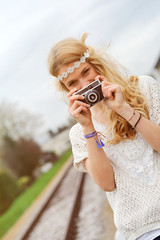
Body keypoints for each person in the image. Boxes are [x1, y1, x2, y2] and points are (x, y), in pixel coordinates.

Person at [48, 33, 160, 240]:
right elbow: (107, 184)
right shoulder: (79, 133)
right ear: (67, 91)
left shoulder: (143, 87)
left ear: (96, 64)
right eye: (73, 82)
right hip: (139, 232)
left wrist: (125, 110)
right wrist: (88, 126)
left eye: (86, 71)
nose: (84, 83)